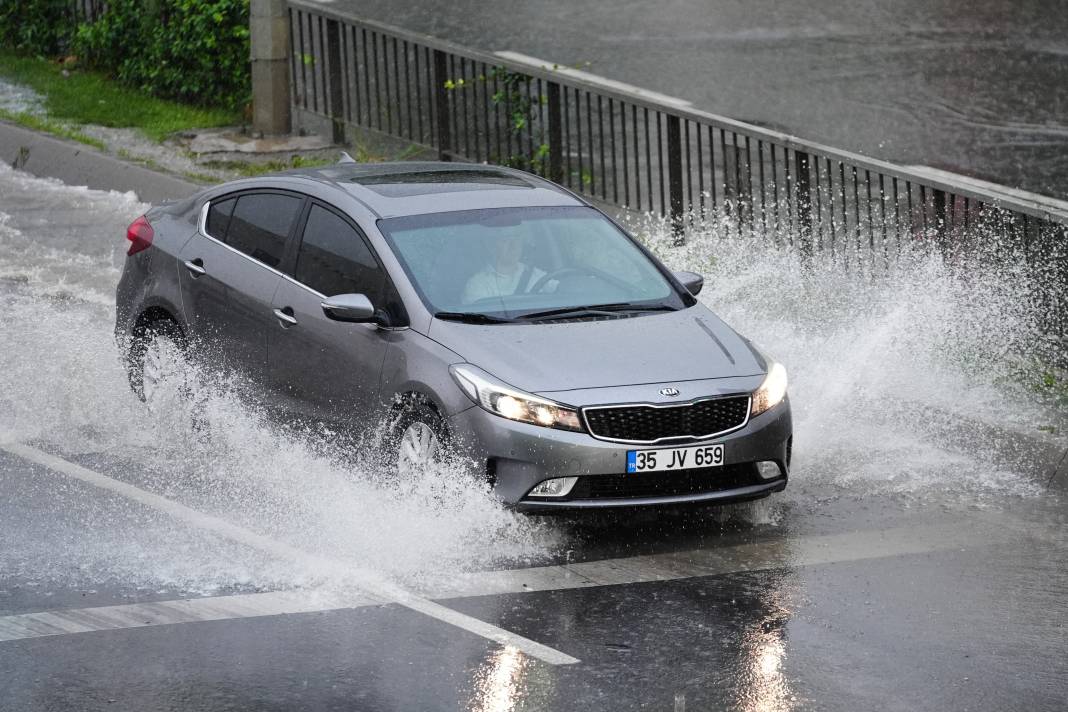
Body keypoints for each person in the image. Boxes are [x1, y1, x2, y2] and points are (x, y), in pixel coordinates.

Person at [461, 227, 546, 304]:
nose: (514, 246)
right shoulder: (478, 284)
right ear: (491, 247)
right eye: (505, 240)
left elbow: (558, 290)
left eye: (517, 240)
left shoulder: (536, 275)